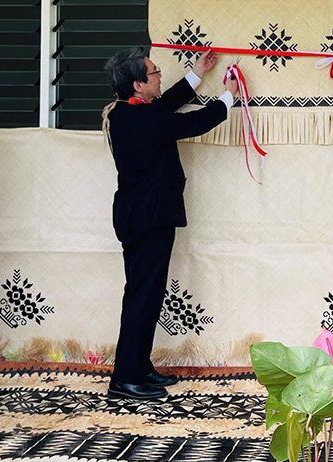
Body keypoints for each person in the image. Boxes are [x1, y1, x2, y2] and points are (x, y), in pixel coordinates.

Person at [102, 47, 238, 400]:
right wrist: (228, 97)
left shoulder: (128, 112)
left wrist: (197, 73)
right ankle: (125, 379)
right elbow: (192, 123)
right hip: (147, 217)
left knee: (145, 294)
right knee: (142, 297)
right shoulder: (143, 118)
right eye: (155, 72)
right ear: (138, 85)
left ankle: (138, 366)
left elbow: (166, 105)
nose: (160, 75)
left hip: (141, 215)